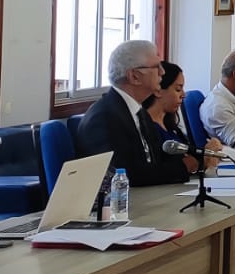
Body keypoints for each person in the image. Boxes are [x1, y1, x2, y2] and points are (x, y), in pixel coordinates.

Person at [78, 41, 196, 186]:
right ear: (134, 77)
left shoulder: (138, 111)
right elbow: (123, 175)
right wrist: (183, 167)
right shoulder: (104, 118)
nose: (162, 72)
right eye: (156, 67)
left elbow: (157, 159)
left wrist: (197, 158)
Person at [137, 61, 219, 184]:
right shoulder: (147, 129)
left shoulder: (171, 127)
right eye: (178, 89)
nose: (183, 95)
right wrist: (204, 159)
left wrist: (207, 153)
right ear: (158, 90)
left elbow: (190, 157)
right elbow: (177, 166)